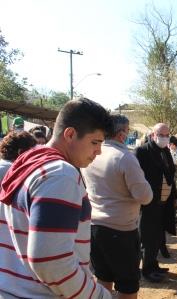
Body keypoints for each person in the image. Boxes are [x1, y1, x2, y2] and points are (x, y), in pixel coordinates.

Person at [0, 98, 112, 298]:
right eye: (95, 142)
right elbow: (51, 262)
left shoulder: (28, 162)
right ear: (70, 134)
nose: (99, 151)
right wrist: (98, 295)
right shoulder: (60, 175)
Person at [82, 115, 153, 299]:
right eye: (128, 131)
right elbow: (145, 197)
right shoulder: (124, 158)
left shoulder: (92, 154)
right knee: (127, 286)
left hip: (94, 227)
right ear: (121, 134)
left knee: (103, 277)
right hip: (120, 231)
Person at [135, 123, 177, 283]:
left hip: (163, 202)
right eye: (161, 135)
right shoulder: (142, 151)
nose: (165, 138)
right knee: (147, 237)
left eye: (167, 135)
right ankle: (147, 269)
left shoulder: (165, 151)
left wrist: (172, 197)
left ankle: (153, 264)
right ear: (153, 135)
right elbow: (136, 177)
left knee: (158, 235)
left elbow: (170, 175)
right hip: (148, 202)